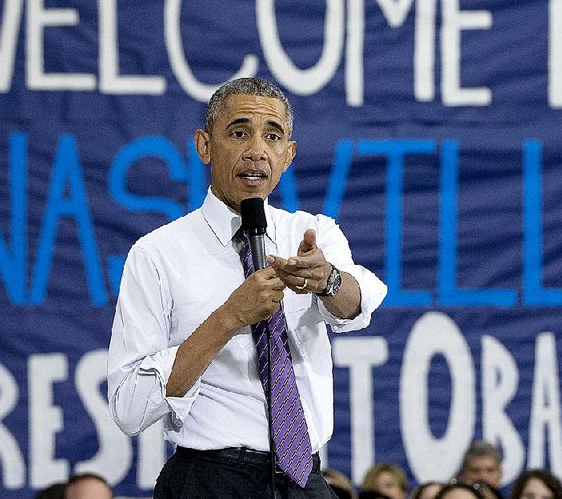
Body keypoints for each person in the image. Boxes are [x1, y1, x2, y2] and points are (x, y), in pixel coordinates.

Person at [107, 77, 388, 498]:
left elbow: (358, 302)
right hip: (210, 480)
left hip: (303, 479)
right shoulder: (157, 254)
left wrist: (325, 280)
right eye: (239, 132)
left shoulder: (312, 233)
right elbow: (129, 407)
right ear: (204, 145)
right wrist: (229, 318)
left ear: (288, 155)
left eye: (272, 136)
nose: (257, 149)